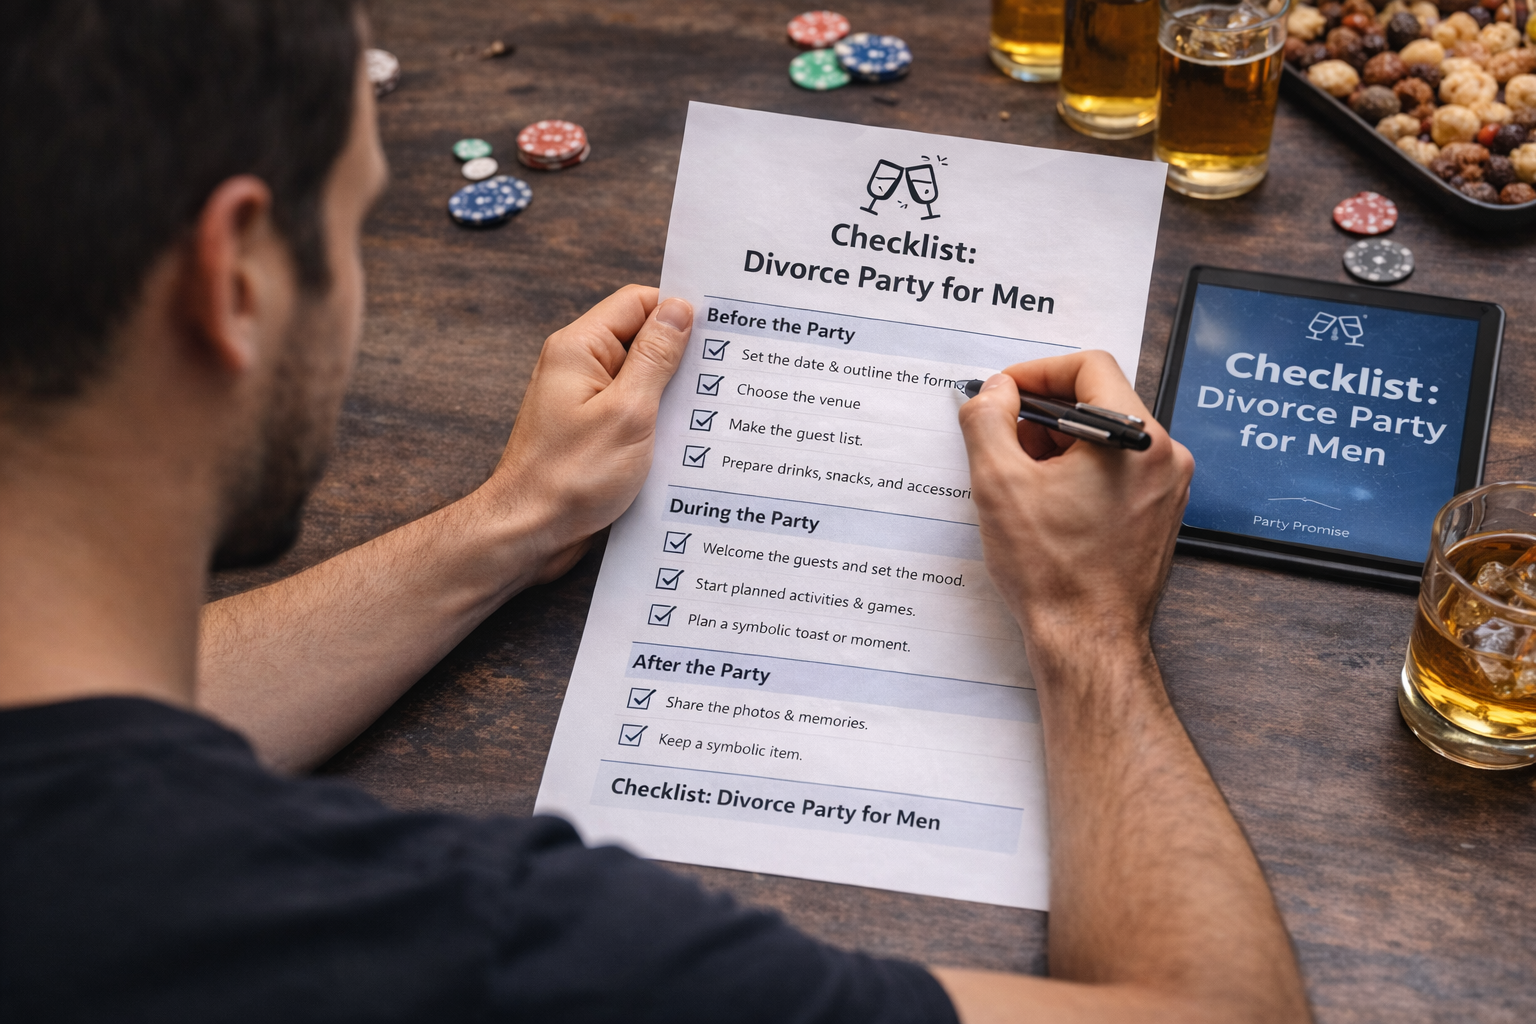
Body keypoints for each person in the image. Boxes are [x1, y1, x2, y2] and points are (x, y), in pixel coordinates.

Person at [0, 2, 1311, 1022]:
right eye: (357, 224)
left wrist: (512, 521)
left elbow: (100, 736)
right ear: (232, 282)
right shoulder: (468, 949)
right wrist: (1087, 628)